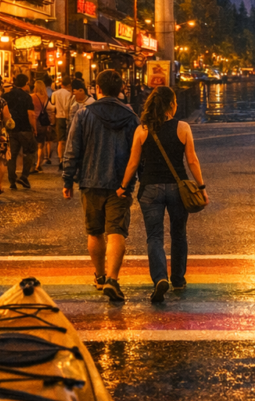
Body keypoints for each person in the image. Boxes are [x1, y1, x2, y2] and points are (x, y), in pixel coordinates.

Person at [119, 85, 207, 303]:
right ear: (171, 104)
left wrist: (122, 187)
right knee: (179, 234)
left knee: (154, 237)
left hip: (150, 189)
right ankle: (178, 279)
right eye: (175, 102)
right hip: (178, 189)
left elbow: (133, 163)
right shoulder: (183, 127)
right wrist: (201, 187)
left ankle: (160, 278)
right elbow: (192, 160)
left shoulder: (142, 129)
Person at [62, 69, 139, 302]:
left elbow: (72, 149)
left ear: (98, 89)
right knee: (116, 232)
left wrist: (68, 179)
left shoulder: (84, 114)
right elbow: (138, 153)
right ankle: (113, 279)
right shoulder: (131, 116)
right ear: (121, 90)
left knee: (94, 232)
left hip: (90, 180)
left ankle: (100, 276)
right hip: (120, 184)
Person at [4, 73, 38, 189]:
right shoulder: (27, 97)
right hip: (25, 128)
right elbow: (31, 114)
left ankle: (12, 180)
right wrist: (34, 128)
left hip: (11, 129)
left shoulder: (6, 96)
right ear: (26, 84)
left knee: (12, 155)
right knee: (29, 152)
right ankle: (24, 176)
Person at [32, 77, 54, 170]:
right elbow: (50, 109)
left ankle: (33, 163)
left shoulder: (31, 96)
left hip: (33, 121)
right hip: (42, 122)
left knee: (33, 144)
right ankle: (38, 164)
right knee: (41, 144)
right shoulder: (45, 97)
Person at [51, 79, 74, 165]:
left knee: (60, 140)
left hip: (58, 117)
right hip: (67, 117)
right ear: (69, 85)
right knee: (69, 139)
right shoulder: (70, 94)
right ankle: (67, 157)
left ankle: (61, 159)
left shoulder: (54, 94)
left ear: (61, 84)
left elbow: (53, 105)